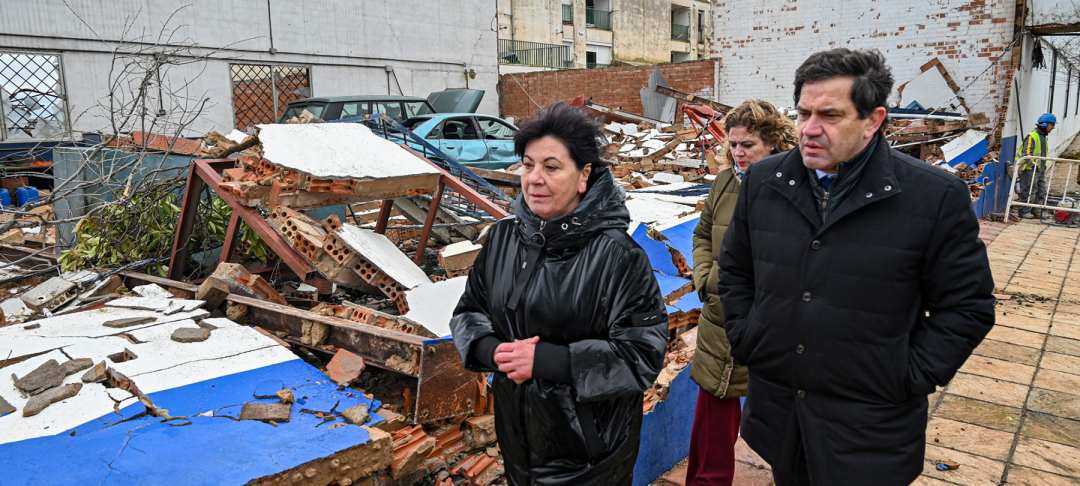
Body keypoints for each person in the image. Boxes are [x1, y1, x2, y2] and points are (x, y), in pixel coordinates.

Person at [717, 48, 995, 485]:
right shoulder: (765, 183)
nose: (808, 129)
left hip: (871, 429)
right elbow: (735, 273)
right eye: (803, 112)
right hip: (782, 416)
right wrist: (750, 337)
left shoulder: (933, 197)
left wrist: (909, 372)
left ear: (873, 119)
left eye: (829, 115)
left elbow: (968, 307)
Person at [450, 102, 668, 485]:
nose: (534, 178)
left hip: (590, 457)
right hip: (519, 444)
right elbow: (470, 311)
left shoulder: (617, 256)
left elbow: (641, 355)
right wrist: (490, 350)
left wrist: (550, 361)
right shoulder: (503, 239)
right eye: (528, 164)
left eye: (551, 167)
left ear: (584, 175)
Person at [686, 99, 796, 486]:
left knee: (787, 422)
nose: (737, 152)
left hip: (770, 320)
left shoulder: (791, 187)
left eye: (747, 144)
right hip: (721, 317)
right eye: (733, 144)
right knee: (714, 415)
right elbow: (702, 233)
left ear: (772, 142)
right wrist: (706, 279)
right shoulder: (725, 182)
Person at [1015, 112, 1056, 218]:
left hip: (1040, 169)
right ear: (1045, 124)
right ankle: (1024, 211)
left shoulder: (1043, 137)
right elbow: (1027, 154)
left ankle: (1037, 210)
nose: (1053, 128)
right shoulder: (1032, 136)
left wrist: (1042, 167)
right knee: (1029, 190)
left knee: (1041, 190)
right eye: (1052, 125)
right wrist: (1034, 165)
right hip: (1029, 169)